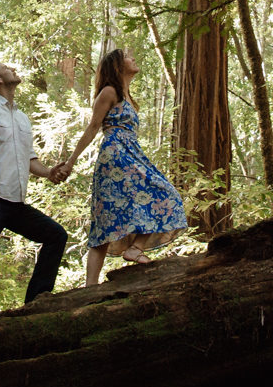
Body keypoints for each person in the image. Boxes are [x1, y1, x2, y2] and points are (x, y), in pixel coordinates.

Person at [57, 48, 186, 286]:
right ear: (117, 65)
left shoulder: (127, 96)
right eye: (129, 55)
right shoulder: (109, 91)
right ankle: (89, 287)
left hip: (131, 153)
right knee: (105, 220)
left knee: (166, 195)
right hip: (115, 156)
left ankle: (135, 248)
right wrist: (71, 161)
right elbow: (93, 127)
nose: (134, 57)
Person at [0, 62, 70, 321]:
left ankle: (34, 308)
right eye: (6, 68)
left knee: (56, 236)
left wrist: (49, 172)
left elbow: (30, 161)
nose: (13, 70)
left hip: (16, 203)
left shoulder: (21, 117)